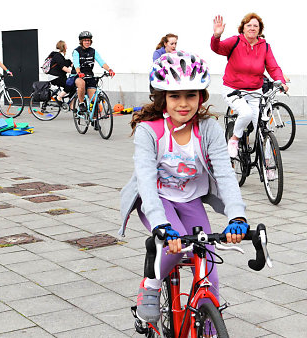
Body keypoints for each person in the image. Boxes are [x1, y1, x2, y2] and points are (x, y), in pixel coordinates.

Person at [119, 51, 248, 324]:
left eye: (191, 95)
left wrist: (237, 216)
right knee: (175, 245)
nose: (183, 104)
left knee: (208, 266)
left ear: (201, 97)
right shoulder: (149, 130)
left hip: (191, 199)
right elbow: (145, 180)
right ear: (163, 98)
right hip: (158, 199)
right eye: (174, 96)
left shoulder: (209, 128)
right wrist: (159, 224)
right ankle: (150, 286)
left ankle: (208, 321)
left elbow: (225, 174)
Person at [211, 13, 289, 157]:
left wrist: (280, 81)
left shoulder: (264, 46)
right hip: (233, 89)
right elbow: (218, 48)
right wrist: (216, 36)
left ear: (259, 30)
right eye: (249, 25)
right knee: (245, 113)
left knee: (261, 128)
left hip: (255, 91)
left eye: (255, 26)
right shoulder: (235, 41)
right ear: (243, 28)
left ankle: (268, 165)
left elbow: (273, 67)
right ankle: (234, 139)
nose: (252, 28)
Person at [71, 31, 115, 114]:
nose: (87, 42)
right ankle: (81, 103)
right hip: (78, 75)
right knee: (81, 84)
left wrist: (109, 70)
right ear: (81, 42)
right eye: (85, 40)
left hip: (89, 75)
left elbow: (101, 62)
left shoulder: (93, 51)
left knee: (94, 100)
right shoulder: (77, 51)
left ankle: (95, 120)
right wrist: (79, 72)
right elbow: (76, 64)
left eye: (88, 40)